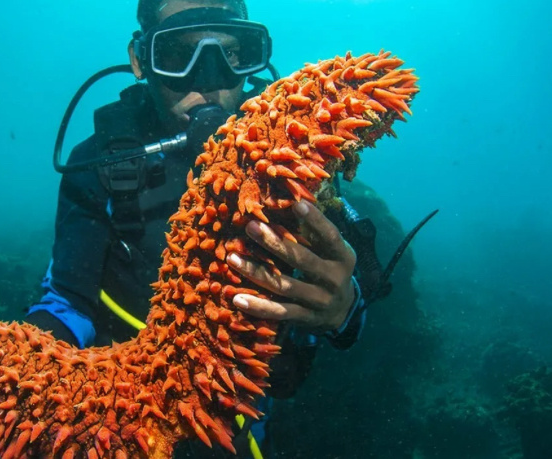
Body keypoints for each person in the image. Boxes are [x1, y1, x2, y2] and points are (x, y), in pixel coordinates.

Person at [26, 0, 377, 457]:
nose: (208, 80)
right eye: (177, 55)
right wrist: (31, 361)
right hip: (123, 421)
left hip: (238, 425)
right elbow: (67, 299)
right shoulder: (99, 165)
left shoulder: (299, 162)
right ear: (140, 60)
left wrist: (344, 311)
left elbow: (349, 297)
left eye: (231, 54)